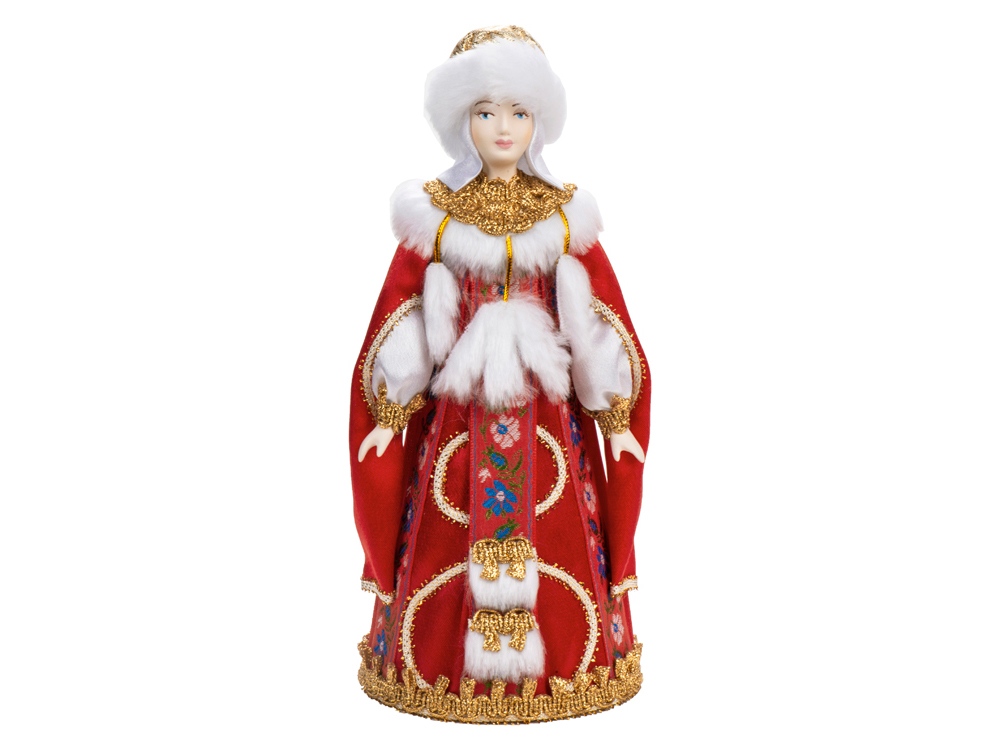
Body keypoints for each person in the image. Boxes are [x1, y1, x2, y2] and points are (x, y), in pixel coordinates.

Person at [350, 26, 651, 723]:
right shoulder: (437, 218)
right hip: (458, 422)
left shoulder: (564, 217)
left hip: (548, 419)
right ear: (464, 122)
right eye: (487, 112)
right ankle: (442, 671)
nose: (503, 128)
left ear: (538, 120)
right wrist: (390, 411)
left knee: (557, 529)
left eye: (518, 112)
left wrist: (615, 415)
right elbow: (411, 321)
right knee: (446, 528)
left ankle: (565, 672)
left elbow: (592, 323)